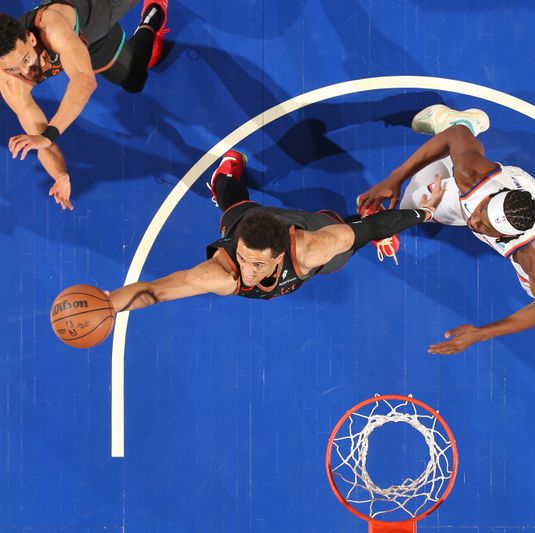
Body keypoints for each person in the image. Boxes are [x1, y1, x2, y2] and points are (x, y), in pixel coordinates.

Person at [357, 104, 535, 355]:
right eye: (481, 215)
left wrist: (481, 333)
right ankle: (457, 119)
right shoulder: (473, 176)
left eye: (484, 227)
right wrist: (394, 178)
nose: (474, 224)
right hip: (493, 194)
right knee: (411, 204)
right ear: (488, 199)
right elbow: (455, 137)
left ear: (508, 236)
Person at [108, 150, 444, 312]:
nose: (247, 272)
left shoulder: (313, 248)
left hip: (309, 236)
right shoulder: (221, 273)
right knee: (234, 206)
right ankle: (222, 179)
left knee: (348, 236)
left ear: (279, 257)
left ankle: (345, 223)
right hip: (250, 218)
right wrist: (109, 305)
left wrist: (425, 212)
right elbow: (154, 291)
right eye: (244, 260)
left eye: (257, 265)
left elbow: (373, 226)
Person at [0, 0, 170, 210]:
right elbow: (41, 140)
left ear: (32, 38)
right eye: (13, 69)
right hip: (91, 43)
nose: (25, 73)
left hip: (97, 9)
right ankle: (154, 14)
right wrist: (60, 174)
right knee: (135, 80)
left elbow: (84, 80)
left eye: (25, 60)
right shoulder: (10, 82)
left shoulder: (51, 26)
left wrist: (48, 135)